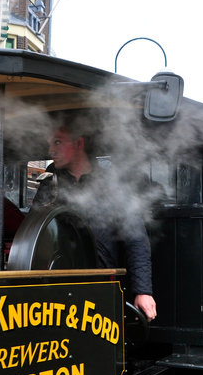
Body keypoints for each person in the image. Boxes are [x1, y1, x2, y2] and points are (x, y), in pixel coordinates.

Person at [32, 120, 157, 322]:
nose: (51, 150)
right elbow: (36, 233)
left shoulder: (113, 185)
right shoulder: (49, 186)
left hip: (103, 284)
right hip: (57, 288)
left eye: (57, 142)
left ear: (79, 143)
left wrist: (143, 291)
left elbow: (136, 239)